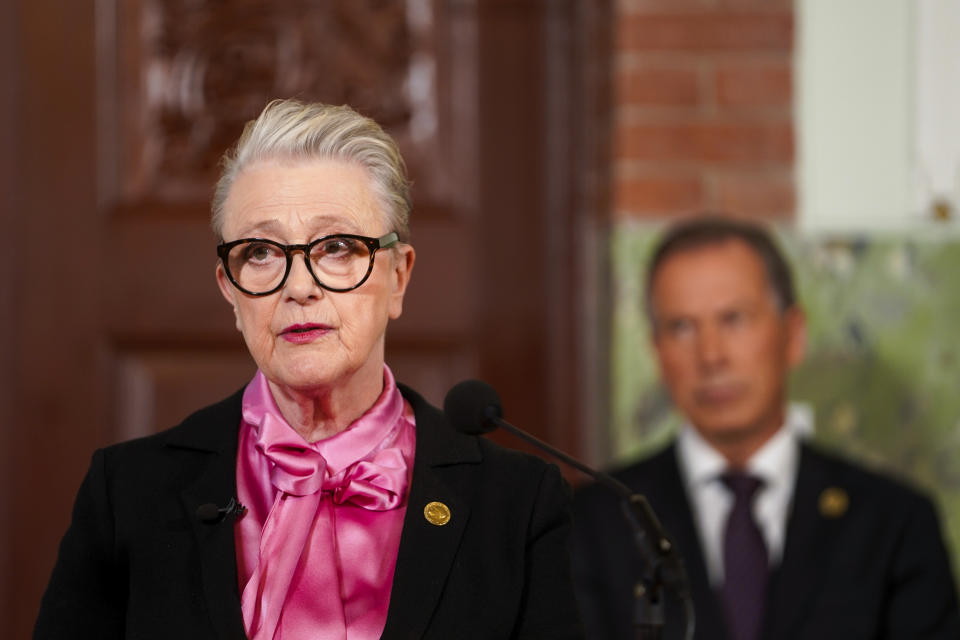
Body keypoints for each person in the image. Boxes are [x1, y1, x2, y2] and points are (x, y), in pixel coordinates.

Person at [35, 99, 584, 639]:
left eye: (337, 247)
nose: (299, 287)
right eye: (260, 253)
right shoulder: (128, 493)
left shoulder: (519, 503)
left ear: (398, 276)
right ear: (230, 289)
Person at [572, 216, 960, 640]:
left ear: (793, 334)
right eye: (681, 327)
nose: (711, 355)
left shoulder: (892, 522)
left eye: (734, 319)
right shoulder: (595, 521)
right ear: (657, 351)